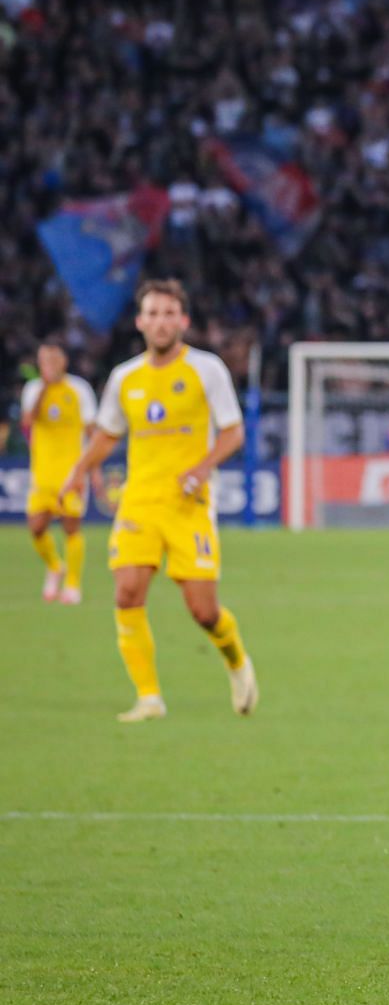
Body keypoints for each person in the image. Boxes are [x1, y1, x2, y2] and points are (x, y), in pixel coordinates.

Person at [60, 280, 258, 722]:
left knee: (203, 611)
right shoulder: (125, 378)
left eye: (169, 313)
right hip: (139, 502)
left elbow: (233, 432)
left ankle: (237, 662)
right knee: (127, 592)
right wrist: (78, 471)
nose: (161, 321)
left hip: (188, 504)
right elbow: (109, 434)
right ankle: (149, 697)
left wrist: (204, 466)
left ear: (183, 321)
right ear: (140, 322)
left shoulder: (207, 370)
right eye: (152, 313)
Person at [21, 340, 101, 604]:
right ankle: (55, 566)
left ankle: (73, 584)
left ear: (63, 361)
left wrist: (94, 470)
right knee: (36, 528)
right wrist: (45, 385)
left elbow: (93, 434)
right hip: (42, 473)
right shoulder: (33, 390)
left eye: (53, 360)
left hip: (72, 473)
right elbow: (28, 423)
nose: (49, 366)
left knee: (71, 527)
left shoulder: (79, 389)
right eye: (44, 361)